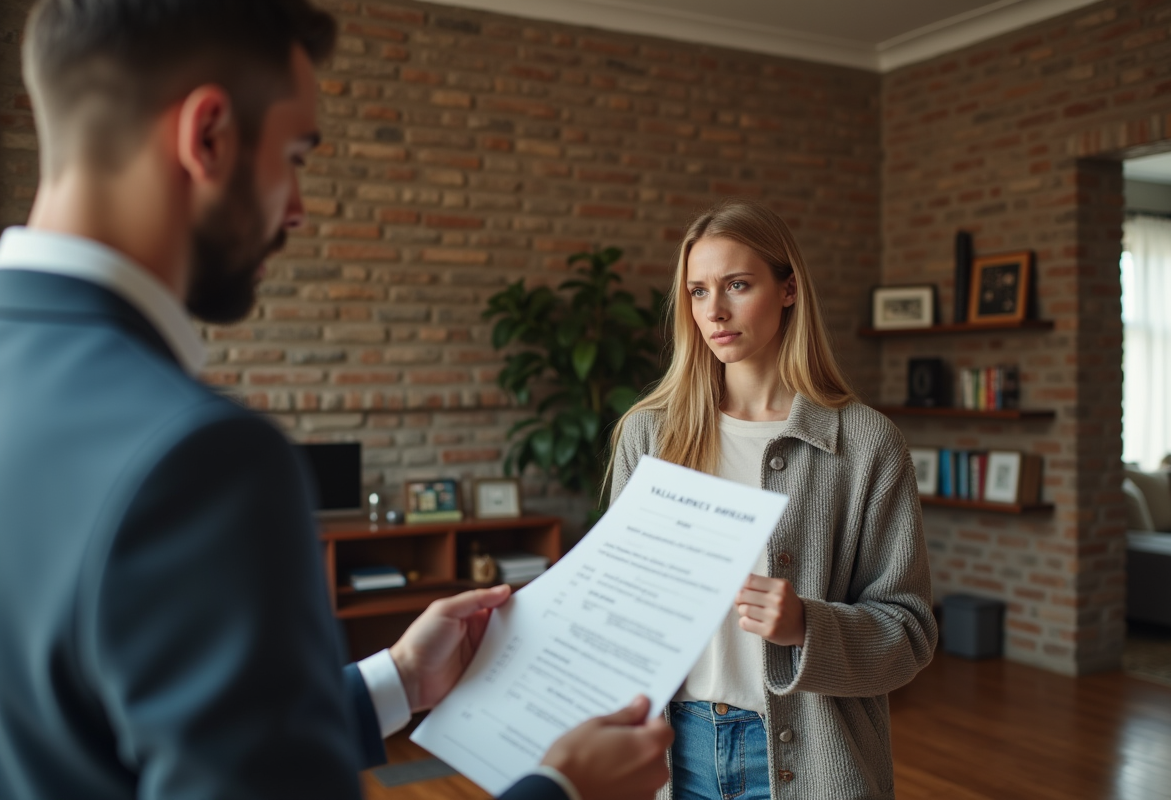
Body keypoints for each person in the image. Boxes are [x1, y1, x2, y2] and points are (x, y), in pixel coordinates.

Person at [0, 2, 671, 799]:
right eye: (295, 156)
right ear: (207, 136)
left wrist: (394, 681)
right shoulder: (199, 457)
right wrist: (563, 790)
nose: (297, 208)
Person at [607, 200, 938, 800]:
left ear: (788, 290)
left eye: (737, 285)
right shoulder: (649, 436)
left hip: (814, 759)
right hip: (671, 757)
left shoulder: (864, 444)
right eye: (698, 291)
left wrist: (807, 625)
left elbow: (910, 634)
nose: (715, 311)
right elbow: (623, 603)